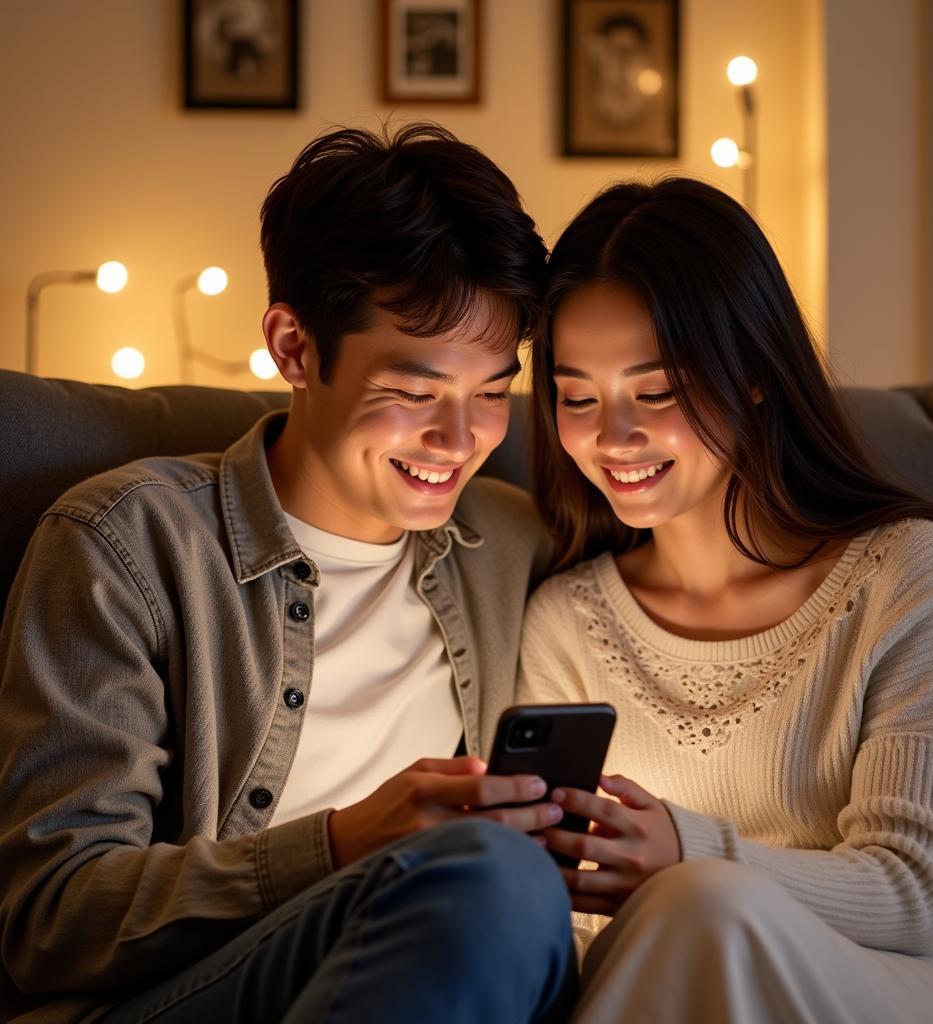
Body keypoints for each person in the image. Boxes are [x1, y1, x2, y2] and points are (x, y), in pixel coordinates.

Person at [0, 124, 577, 1024]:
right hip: (180, 1001)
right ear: (294, 348)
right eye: (416, 393)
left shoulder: (513, 541)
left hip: (446, 976)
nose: (461, 444)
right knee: (489, 879)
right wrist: (343, 845)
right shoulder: (126, 546)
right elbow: (50, 917)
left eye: (492, 393)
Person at [518, 176, 933, 1022]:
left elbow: (912, 896)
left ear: (752, 374)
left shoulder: (902, 573)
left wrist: (689, 853)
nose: (613, 436)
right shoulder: (566, 624)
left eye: (657, 390)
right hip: (681, 988)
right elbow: (574, 921)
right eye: (577, 398)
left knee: (699, 905)